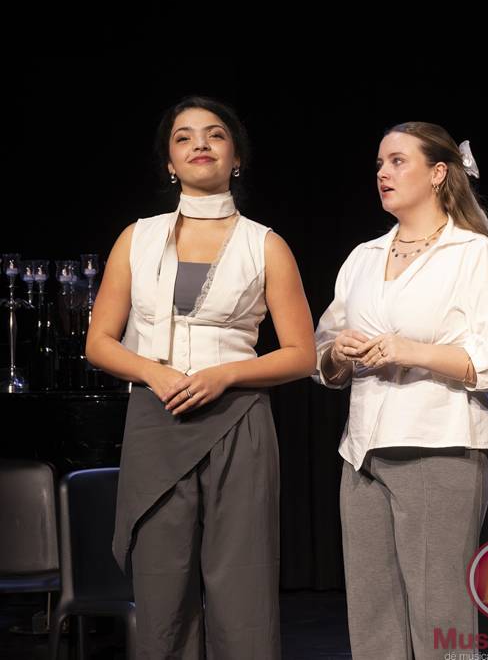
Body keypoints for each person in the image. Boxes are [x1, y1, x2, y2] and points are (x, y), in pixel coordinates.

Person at [86, 96, 316, 659]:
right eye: (184, 137)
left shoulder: (266, 244)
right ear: (170, 163)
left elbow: (301, 354)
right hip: (156, 416)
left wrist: (227, 375)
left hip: (238, 418)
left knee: (242, 585)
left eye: (214, 134)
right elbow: (98, 342)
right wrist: (152, 373)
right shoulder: (136, 237)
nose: (200, 145)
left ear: (236, 157)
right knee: (161, 587)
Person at [312, 122, 488, 659]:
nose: (383, 173)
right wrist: (338, 354)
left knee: (439, 610)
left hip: (439, 445)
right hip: (362, 452)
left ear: (438, 173)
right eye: (380, 164)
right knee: (372, 613)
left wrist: (412, 351)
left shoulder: (473, 254)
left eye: (398, 161)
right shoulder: (363, 256)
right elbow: (324, 348)